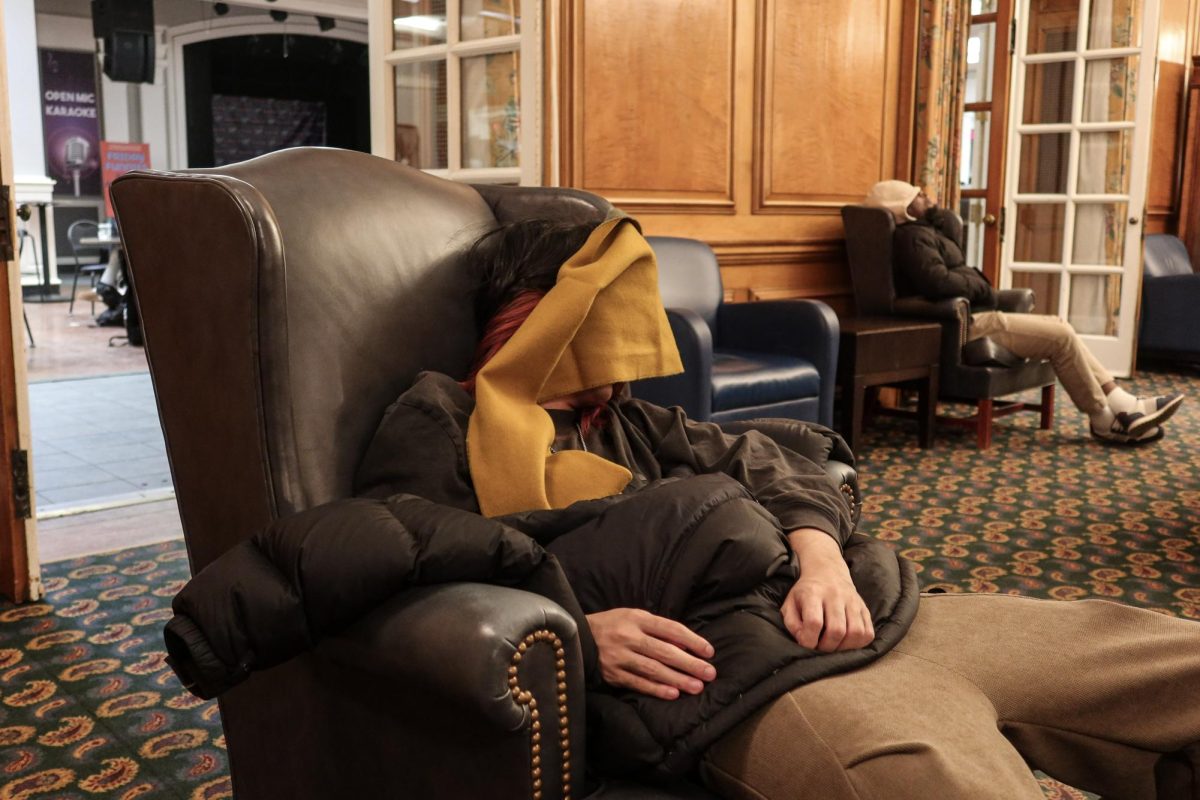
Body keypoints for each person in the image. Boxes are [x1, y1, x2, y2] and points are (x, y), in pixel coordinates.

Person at [164, 216, 1200, 799]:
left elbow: (776, 452)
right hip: (747, 684)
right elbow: (407, 547)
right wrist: (575, 623)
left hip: (885, 610)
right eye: (596, 338)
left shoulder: (635, 426)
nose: (615, 374)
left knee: (1165, 659)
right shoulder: (442, 418)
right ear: (536, 321)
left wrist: (821, 551)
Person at [864, 179, 1184, 445]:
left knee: (1059, 325)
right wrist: (982, 290)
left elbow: (948, 258)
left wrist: (940, 218)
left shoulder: (924, 232)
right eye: (916, 194)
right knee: (1059, 337)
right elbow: (937, 282)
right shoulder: (910, 237)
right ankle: (1105, 418)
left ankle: (1123, 404)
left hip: (976, 315)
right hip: (965, 322)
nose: (925, 194)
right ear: (903, 207)